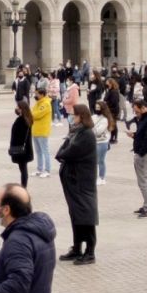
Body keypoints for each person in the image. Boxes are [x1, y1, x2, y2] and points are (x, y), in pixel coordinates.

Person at [55, 105, 98, 265]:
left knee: (86, 216)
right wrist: (67, 142)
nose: (72, 117)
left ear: (81, 116)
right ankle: (77, 247)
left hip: (82, 183)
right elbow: (61, 151)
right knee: (76, 216)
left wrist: (64, 151)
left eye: (74, 115)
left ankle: (90, 251)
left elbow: (68, 152)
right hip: (73, 182)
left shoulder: (86, 134)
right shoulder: (77, 132)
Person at [128, 98, 147, 219]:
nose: (136, 113)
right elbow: (142, 134)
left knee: (143, 181)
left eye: (137, 111)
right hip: (141, 152)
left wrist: (140, 152)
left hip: (144, 154)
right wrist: (134, 135)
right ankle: (146, 204)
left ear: (143, 107)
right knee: (144, 180)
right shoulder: (145, 118)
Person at [7, 99, 32, 188]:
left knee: (23, 169)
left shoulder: (22, 120)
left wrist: (13, 145)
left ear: (22, 109)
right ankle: (23, 185)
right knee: (23, 168)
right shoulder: (25, 119)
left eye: (18, 107)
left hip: (21, 148)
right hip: (24, 148)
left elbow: (19, 135)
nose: (16, 108)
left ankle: (24, 186)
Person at [29, 85, 53, 177]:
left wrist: (31, 114)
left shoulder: (45, 104)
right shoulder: (38, 103)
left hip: (42, 130)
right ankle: (39, 169)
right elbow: (32, 112)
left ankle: (47, 170)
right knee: (38, 151)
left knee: (45, 151)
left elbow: (36, 114)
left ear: (42, 94)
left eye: (37, 94)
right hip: (35, 129)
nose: (36, 95)